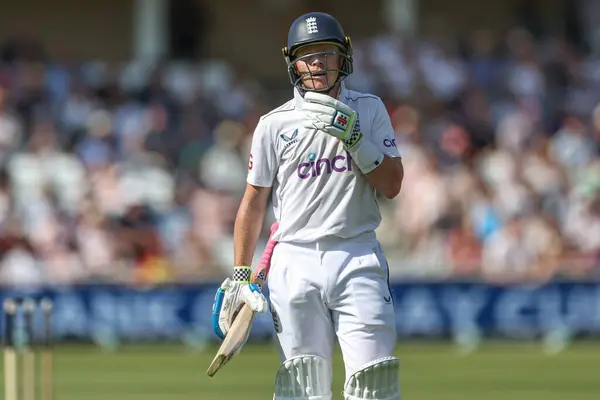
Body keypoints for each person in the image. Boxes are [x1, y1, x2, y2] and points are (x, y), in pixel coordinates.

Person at [212, 11, 404, 400]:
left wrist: (355, 138)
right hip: (294, 263)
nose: (317, 63)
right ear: (293, 63)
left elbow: (393, 184)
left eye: (326, 53)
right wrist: (240, 272)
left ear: (343, 57)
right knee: (304, 387)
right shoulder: (274, 124)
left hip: (357, 255)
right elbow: (253, 202)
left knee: (374, 384)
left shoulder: (368, 110)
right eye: (308, 55)